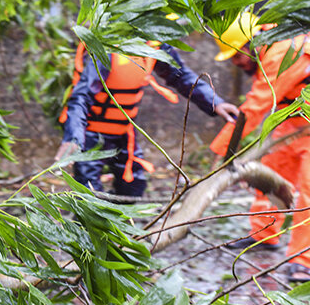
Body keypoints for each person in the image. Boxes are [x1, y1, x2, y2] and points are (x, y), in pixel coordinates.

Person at [54, 39, 240, 199]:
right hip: (90, 133)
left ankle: (115, 228)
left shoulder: (154, 43)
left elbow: (180, 75)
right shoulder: (106, 48)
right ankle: (89, 232)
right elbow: (81, 97)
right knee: (88, 195)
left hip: (124, 133)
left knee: (133, 187)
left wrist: (215, 102)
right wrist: (74, 138)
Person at [209, 12, 310, 282]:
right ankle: (264, 236)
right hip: (292, 118)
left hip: (306, 120)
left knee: (308, 191)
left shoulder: (280, 51)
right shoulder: (270, 46)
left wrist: (222, 153)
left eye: (236, 56)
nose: (236, 63)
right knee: (272, 175)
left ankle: (304, 261)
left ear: (250, 43)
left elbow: (255, 107)